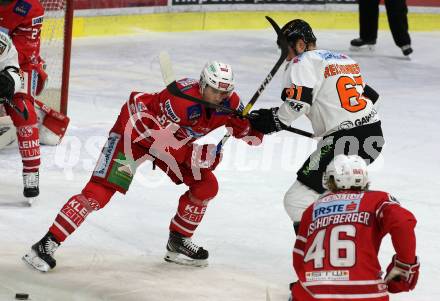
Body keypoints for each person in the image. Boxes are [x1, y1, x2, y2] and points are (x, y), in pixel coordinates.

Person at [23, 61, 263, 272]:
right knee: (98, 194)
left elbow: (250, 134)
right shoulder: (179, 100)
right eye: (215, 90)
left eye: (226, 91)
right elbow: (161, 144)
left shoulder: (230, 101)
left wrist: (262, 123)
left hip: (170, 142)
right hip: (134, 135)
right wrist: (198, 156)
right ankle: (45, 243)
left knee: (206, 186)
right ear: (202, 85)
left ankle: (178, 241)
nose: (221, 96)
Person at [249, 19, 385, 234]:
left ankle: (323, 257)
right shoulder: (343, 59)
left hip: (344, 141)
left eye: (286, 49)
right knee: (327, 197)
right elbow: (372, 97)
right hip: (373, 136)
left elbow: (299, 103)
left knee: (297, 200)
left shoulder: (301, 62)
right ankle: (345, 248)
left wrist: (276, 119)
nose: (285, 55)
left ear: (300, 45)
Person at [290, 154, 419, 301]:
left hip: (312, 294)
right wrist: (404, 265)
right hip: (366, 294)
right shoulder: (378, 200)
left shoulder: (312, 209)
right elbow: (402, 222)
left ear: (331, 179)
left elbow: (299, 257)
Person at [0, 0, 70, 202]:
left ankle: (31, 173)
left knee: (25, 114)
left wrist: (8, 80)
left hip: (18, 65)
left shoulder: (30, 7)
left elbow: (22, 55)